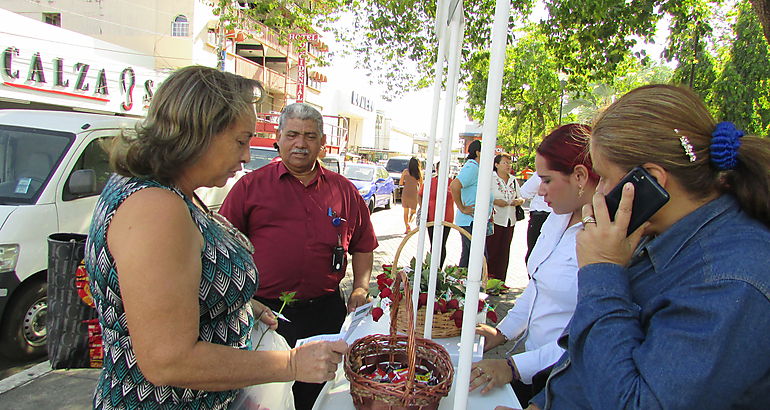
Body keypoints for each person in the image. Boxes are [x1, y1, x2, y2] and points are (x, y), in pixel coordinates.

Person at [85, 66, 347, 409]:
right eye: (241, 140)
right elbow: (168, 360)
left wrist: (234, 305)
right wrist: (293, 364)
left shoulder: (172, 192)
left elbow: (180, 291)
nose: (246, 156)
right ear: (199, 132)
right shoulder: (155, 208)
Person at [524, 84, 770, 409]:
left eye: (607, 179)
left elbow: (636, 402)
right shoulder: (657, 232)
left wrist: (602, 272)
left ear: (651, 179)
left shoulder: (728, 280)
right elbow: (590, 352)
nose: (600, 195)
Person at [219, 102, 378, 410]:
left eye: (310, 136)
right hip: (265, 315)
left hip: (325, 313)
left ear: (322, 142)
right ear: (278, 137)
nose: (301, 144)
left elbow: (363, 244)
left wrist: (360, 287)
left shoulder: (344, 191)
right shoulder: (249, 187)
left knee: (316, 394)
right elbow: (224, 248)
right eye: (292, 135)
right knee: (261, 398)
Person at [468, 124, 598, 405]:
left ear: (579, 176)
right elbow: (536, 286)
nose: (540, 189)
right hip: (532, 365)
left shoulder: (604, 238)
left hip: (564, 381)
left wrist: (514, 367)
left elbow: (588, 338)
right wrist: (502, 331)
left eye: (547, 179)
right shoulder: (558, 217)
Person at [450, 140, 493, 268]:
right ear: (478, 153)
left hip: (474, 220)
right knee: (480, 257)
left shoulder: (477, 168)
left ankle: (460, 283)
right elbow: (454, 185)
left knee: (469, 255)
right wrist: (462, 208)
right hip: (469, 221)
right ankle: (475, 284)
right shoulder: (472, 167)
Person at [485, 153, 525, 280]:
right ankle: (489, 280)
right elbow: (484, 196)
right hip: (495, 219)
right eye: (505, 163)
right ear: (496, 165)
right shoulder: (491, 178)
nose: (508, 165)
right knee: (492, 250)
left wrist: (518, 201)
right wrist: (496, 201)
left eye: (509, 163)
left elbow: (521, 197)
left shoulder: (513, 180)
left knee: (504, 251)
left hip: (509, 219)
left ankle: (501, 281)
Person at [418, 161, 455, 267]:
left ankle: (439, 267)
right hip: (431, 217)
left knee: (441, 244)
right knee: (434, 244)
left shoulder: (451, 183)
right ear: (437, 169)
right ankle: (432, 267)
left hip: (446, 219)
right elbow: (420, 195)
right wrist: (423, 208)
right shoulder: (430, 182)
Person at [518, 172, 552, 263]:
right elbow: (524, 192)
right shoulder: (542, 172)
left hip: (546, 216)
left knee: (536, 252)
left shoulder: (543, 172)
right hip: (542, 216)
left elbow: (525, 192)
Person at [400, 156, 422, 233]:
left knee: (405, 211)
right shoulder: (419, 173)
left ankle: (407, 227)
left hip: (406, 192)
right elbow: (422, 185)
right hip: (415, 193)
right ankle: (409, 223)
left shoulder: (405, 171)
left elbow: (400, 183)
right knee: (413, 212)